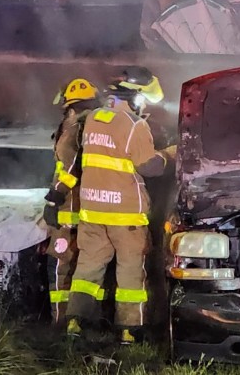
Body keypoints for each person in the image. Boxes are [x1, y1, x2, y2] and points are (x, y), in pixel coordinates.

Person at [66, 66, 176, 344]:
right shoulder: (134, 125)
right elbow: (149, 167)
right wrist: (170, 155)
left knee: (87, 268)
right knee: (130, 271)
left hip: (92, 211)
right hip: (125, 215)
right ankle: (129, 329)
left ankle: (76, 323)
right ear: (136, 96)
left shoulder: (92, 119)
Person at [43, 77, 102, 325]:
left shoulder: (73, 130)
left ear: (70, 107)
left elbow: (67, 170)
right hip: (93, 212)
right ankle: (86, 321)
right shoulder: (98, 129)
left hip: (68, 211)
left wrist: (53, 200)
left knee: (59, 267)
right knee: (88, 270)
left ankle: (61, 320)